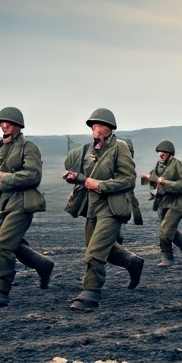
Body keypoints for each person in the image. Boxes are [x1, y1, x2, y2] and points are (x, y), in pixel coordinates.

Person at [63, 108, 144, 310]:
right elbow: (85, 177)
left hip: (112, 208)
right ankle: (132, 262)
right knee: (100, 247)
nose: (96, 130)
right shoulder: (90, 152)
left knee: (95, 252)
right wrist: (76, 179)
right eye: (94, 127)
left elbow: (128, 179)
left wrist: (98, 185)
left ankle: (91, 293)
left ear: (110, 129)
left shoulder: (120, 148)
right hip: (92, 208)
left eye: (101, 126)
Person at [0, 107, 53, 307]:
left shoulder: (29, 147)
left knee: (3, 245)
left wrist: (3, 177)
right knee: (15, 245)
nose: (3, 126)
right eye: (1, 123)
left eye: (7, 123)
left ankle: (2, 292)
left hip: (23, 203)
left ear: (18, 125)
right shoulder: (3, 147)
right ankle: (44, 265)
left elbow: (33, 176)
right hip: (6, 202)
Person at [140, 140, 182, 266]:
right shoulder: (159, 165)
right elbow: (153, 178)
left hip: (176, 203)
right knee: (169, 230)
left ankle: (167, 257)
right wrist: (150, 179)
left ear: (170, 153)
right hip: (163, 203)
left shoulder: (177, 165)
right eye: (159, 152)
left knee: (165, 230)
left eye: (164, 152)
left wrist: (166, 183)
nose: (160, 154)